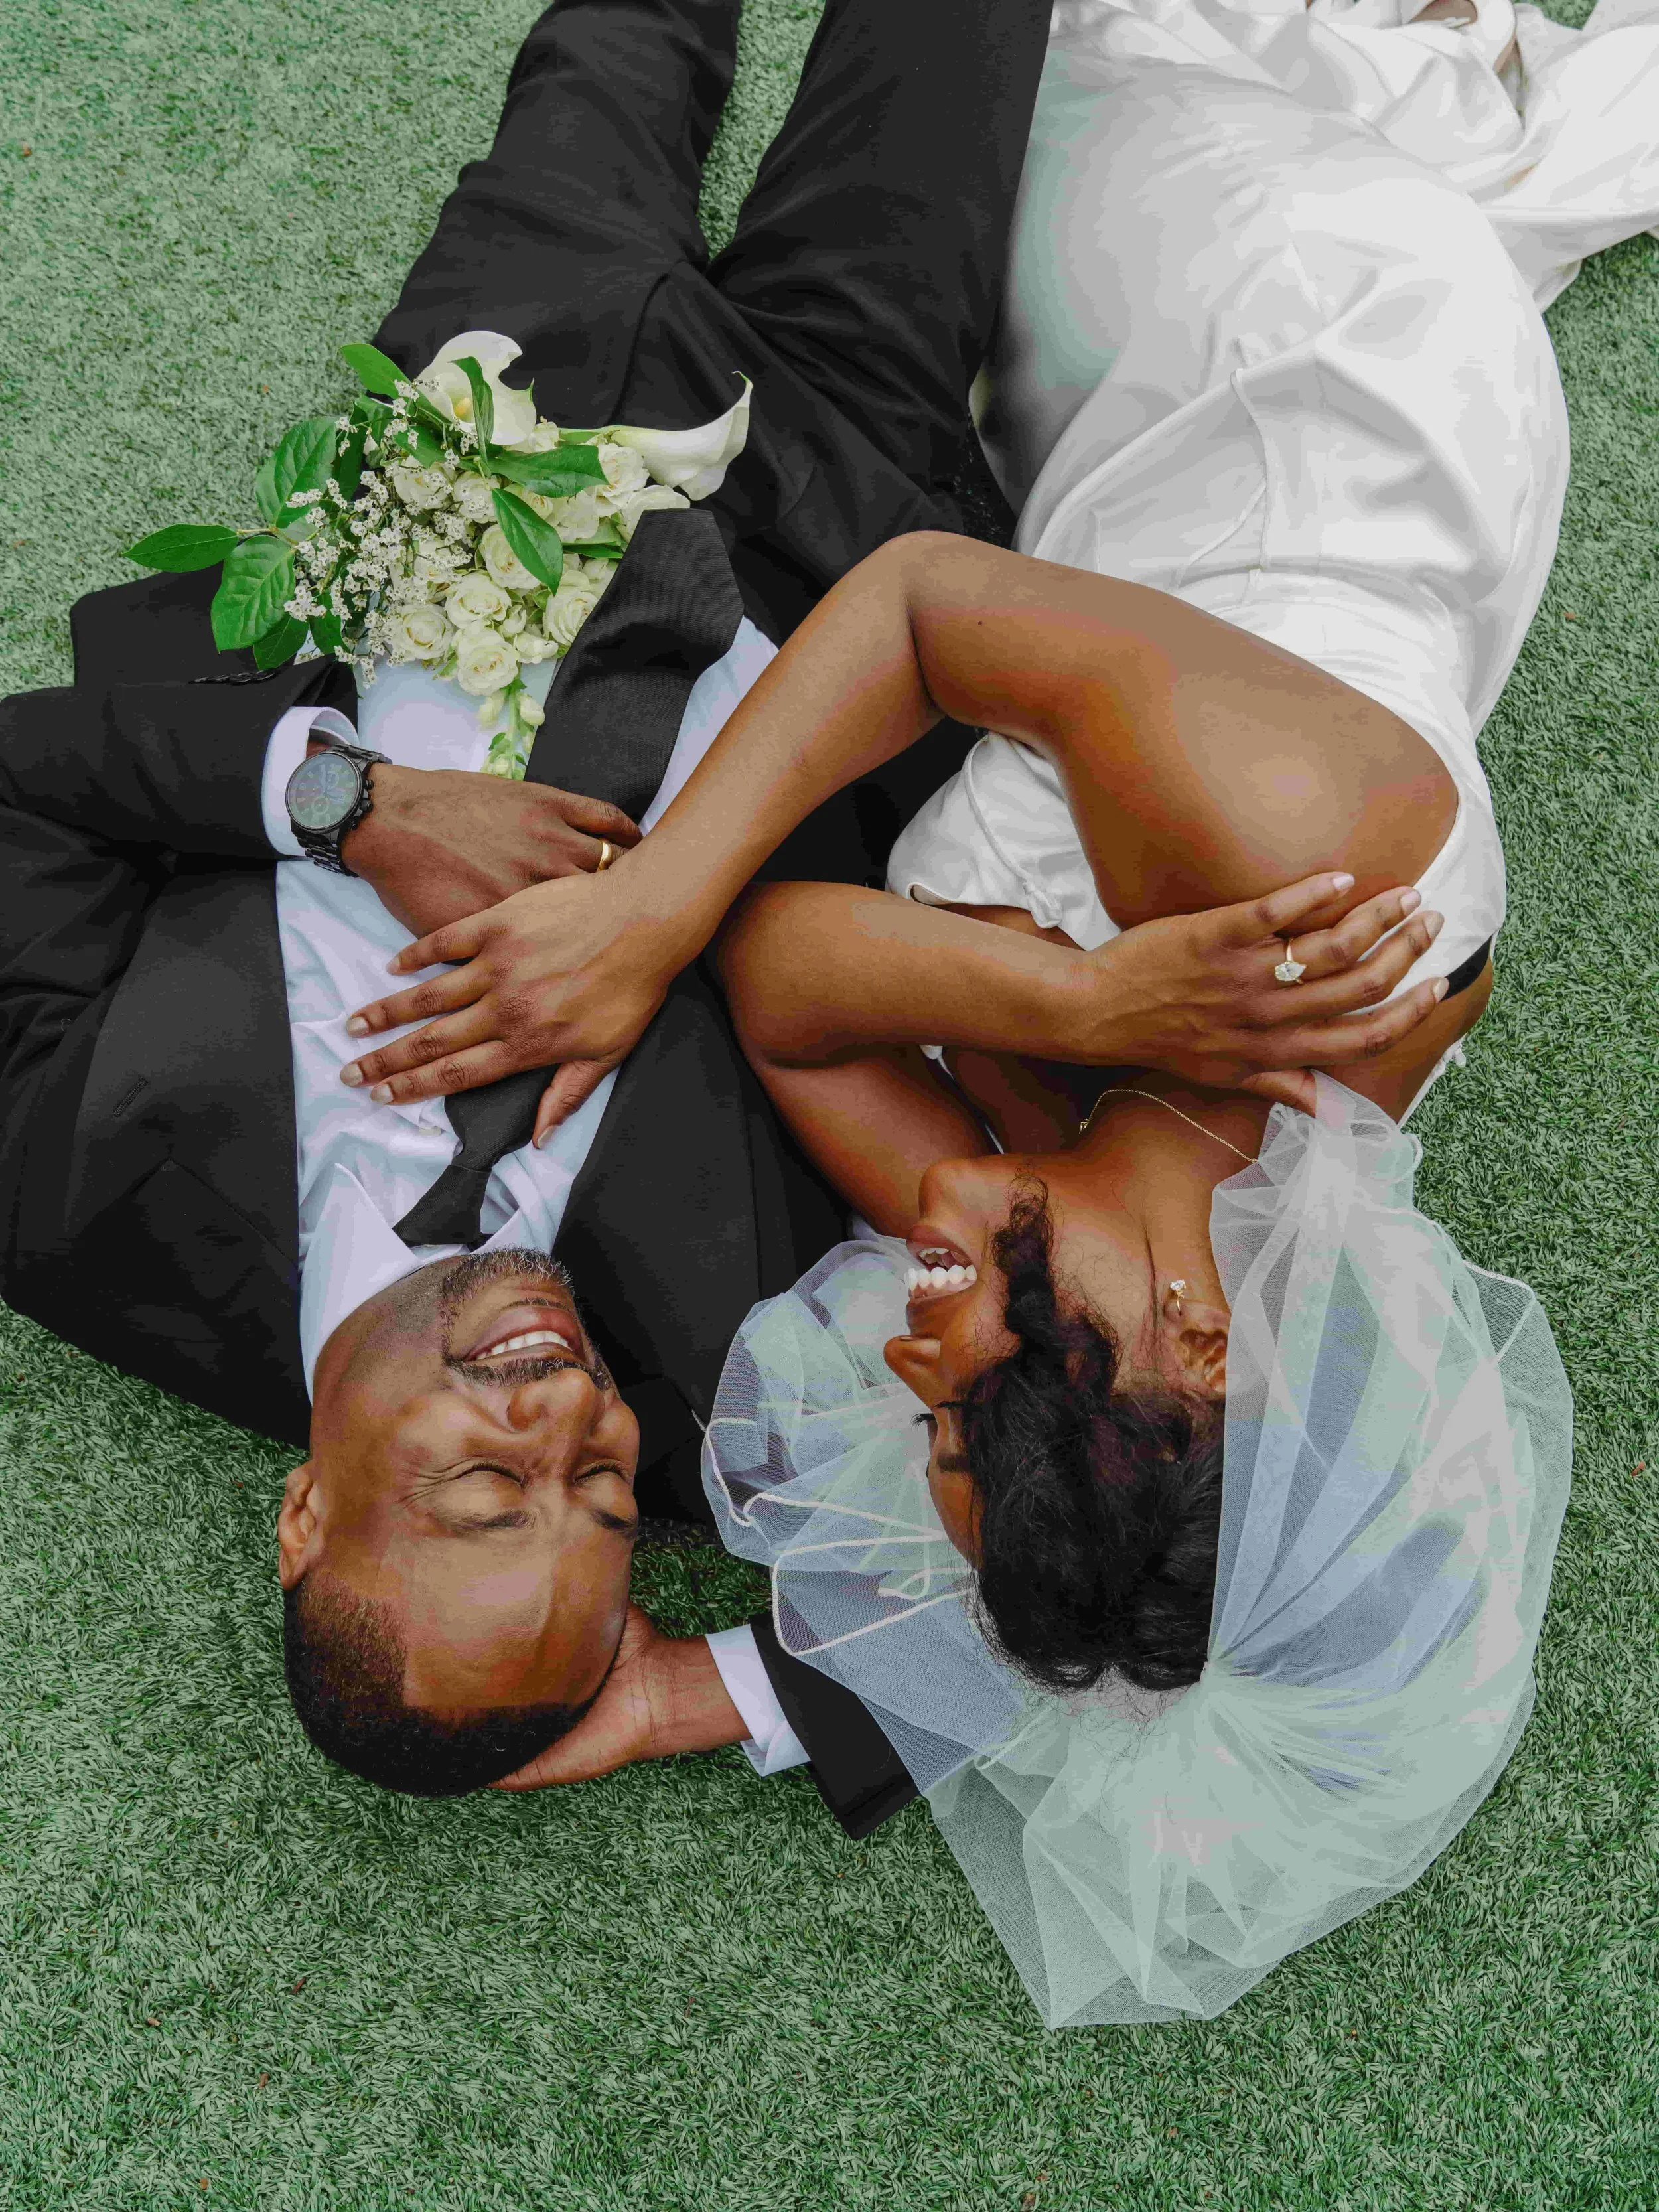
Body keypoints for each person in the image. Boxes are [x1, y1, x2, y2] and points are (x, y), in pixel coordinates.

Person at [0, 0, 1427, 1804]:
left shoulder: (71, 1197)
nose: (563, 1415)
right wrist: (699, 1695)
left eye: (482, 1482)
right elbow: (1114, 1600)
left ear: (304, 1510)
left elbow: (15, 797)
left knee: (609, 66)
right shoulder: (723, 1407)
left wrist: (347, 805)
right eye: (596, 1496)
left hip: (498, 450)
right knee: (947, 53)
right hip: (848, 535)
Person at [433, 0, 1659, 2017]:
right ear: (1202, 1331)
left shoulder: (1068, 1192)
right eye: (972, 1372)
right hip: (1316, 352)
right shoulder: (1315, 901)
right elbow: (920, 604)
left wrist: (1089, 1004)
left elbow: (789, 992)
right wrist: (656, 895)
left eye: (925, 1414)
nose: (914, 1324)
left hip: (1103, 546)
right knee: (1056, 79)